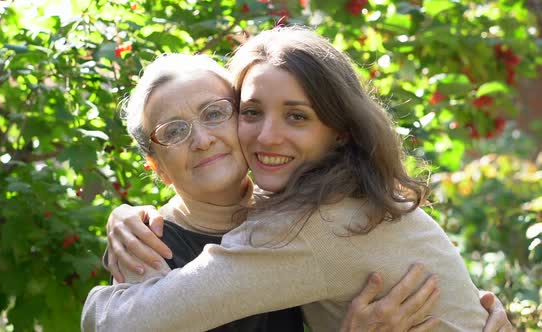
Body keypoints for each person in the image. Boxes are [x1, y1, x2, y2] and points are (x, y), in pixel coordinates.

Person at [82, 27, 512, 331]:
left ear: (339, 129)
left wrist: (95, 307)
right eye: (252, 112)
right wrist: (122, 216)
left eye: (297, 116)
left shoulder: (312, 224)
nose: (268, 135)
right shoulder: (349, 194)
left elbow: (124, 324)